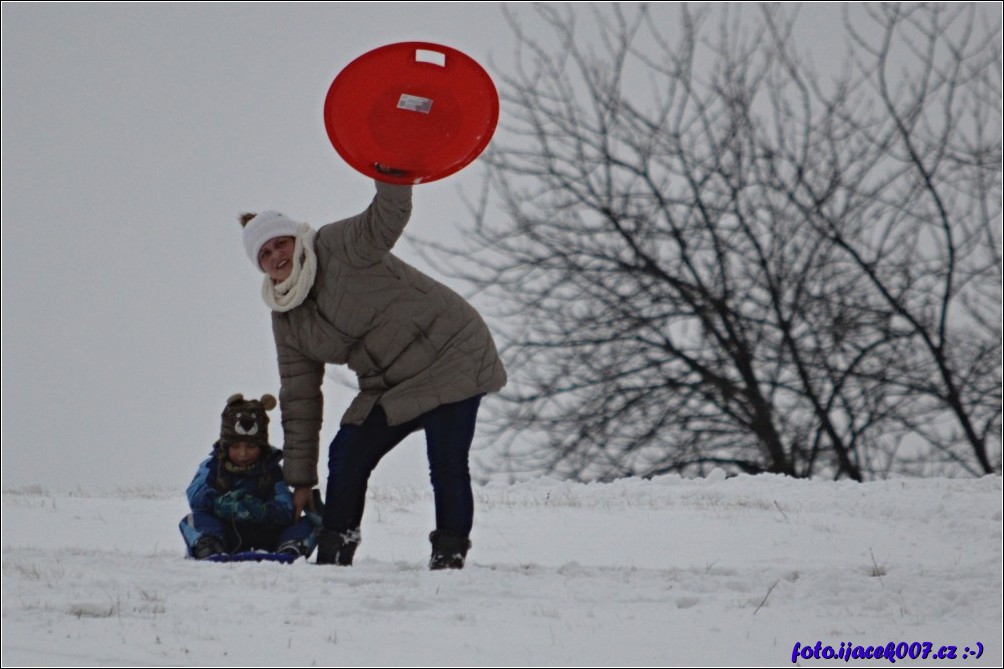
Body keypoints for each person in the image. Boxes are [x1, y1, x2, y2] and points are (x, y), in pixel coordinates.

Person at [239, 174, 506, 569]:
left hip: (450, 354)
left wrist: (391, 172)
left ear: (296, 238)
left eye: (281, 243)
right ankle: (335, 551)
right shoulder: (287, 318)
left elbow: (387, 215)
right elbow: (300, 398)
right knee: (347, 452)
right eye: (265, 254)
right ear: (261, 268)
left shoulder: (337, 244)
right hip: (389, 384)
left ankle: (449, 557)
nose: (277, 255)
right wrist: (301, 480)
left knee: (446, 459)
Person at [179, 393, 318, 560]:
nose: (243, 454)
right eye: (235, 447)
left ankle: (291, 547)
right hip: (225, 534)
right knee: (194, 520)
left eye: (251, 446)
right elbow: (195, 494)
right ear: (225, 446)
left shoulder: (272, 470)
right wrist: (218, 504)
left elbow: (286, 507)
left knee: (309, 523)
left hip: (265, 534)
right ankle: (209, 545)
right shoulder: (212, 466)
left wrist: (262, 510)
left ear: (262, 446)